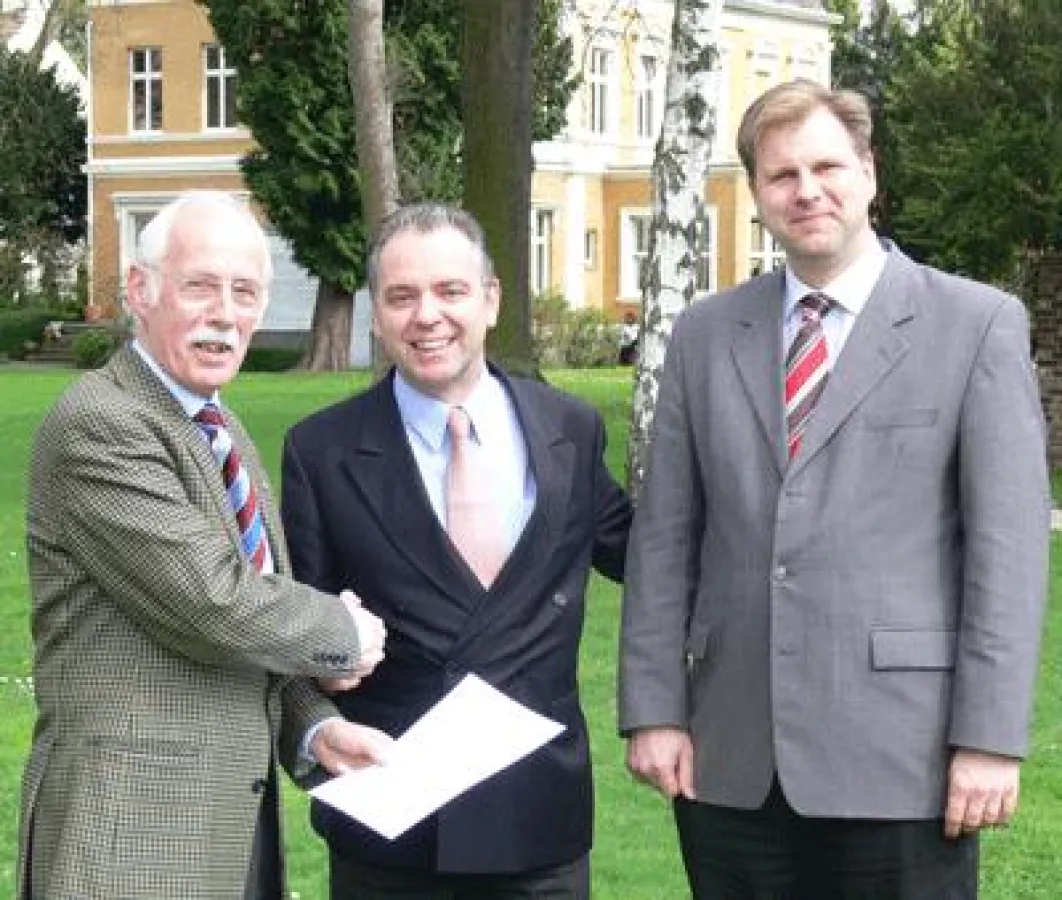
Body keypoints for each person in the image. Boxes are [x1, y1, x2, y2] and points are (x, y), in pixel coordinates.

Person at [618, 79, 1049, 899]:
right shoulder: (705, 335)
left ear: (870, 173)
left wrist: (991, 739)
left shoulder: (975, 325)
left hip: (903, 759)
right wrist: (654, 709)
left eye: (827, 166)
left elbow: (1009, 551)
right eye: (782, 175)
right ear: (757, 195)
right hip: (731, 756)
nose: (807, 191)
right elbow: (667, 537)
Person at [17, 190, 392, 900]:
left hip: (227, 832)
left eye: (245, 292)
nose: (225, 313)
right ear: (141, 291)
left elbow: (239, 642)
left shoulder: (219, 430)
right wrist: (345, 630)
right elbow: (216, 601)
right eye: (201, 287)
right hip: (124, 845)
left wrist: (312, 730)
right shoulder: (101, 423)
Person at [280, 202, 632, 899]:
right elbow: (296, 629)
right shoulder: (320, 450)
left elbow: (650, 557)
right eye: (402, 296)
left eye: (450, 291)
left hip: (538, 822)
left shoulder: (570, 428)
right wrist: (327, 655)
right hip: (393, 830)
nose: (427, 315)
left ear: (491, 301)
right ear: (376, 315)